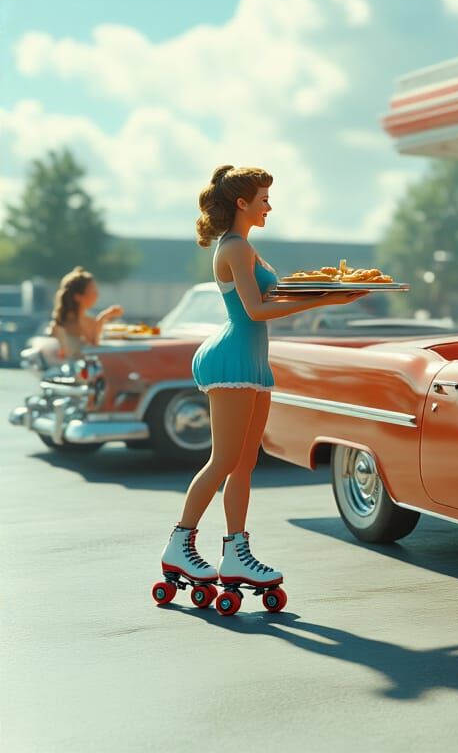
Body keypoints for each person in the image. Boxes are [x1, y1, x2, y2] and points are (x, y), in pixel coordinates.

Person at [159, 165, 365, 598]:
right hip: (232, 359)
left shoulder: (246, 247)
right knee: (223, 460)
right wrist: (325, 299)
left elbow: (273, 295)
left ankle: (236, 552)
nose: (269, 206)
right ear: (242, 203)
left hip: (250, 361)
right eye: (264, 199)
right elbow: (255, 310)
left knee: (244, 464)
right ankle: (179, 545)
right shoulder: (234, 247)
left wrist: (332, 291)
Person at [48, 266, 123, 360]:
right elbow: (93, 347)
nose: (97, 294)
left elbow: (94, 345)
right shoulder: (63, 325)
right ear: (78, 297)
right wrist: (102, 317)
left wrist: (103, 317)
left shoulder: (62, 321)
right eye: (93, 290)